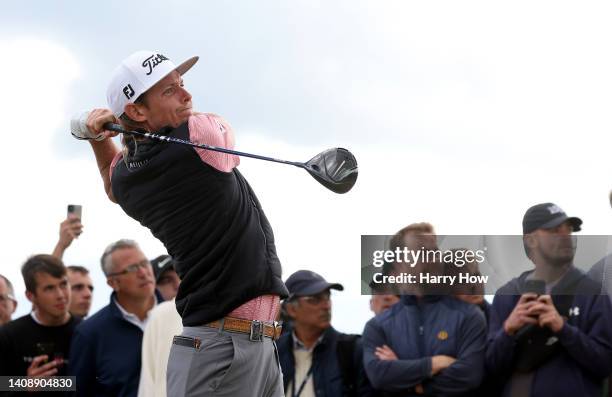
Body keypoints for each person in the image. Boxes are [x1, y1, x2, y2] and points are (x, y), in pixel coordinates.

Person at [77, 50, 288, 396]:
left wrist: (98, 137)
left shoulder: (129, 179)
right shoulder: (199, 135)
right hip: (223, 348)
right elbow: (221, 132)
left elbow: (110, 181)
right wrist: (103, 138)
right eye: (169, 91)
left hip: (251, 343)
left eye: (182, 84)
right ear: (136, 110)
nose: (187, 95)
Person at [486, 202, 612, 397]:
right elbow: (490, 367)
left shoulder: (592, 292)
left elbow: (605, 364)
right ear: (531, 240)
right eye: (554, 230)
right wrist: (508, 330)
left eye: (568, 230)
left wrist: (563, 329)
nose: (565, 237)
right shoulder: (507, 294)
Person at [362, 223, 486, 396]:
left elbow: (469, 376)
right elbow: (379, 375)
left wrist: (412, 384)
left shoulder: (469, 316)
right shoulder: (378, 326)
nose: (433, 259)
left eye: (434, 251)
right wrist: (435, 363)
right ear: (399, 264)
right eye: (422, 252)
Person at [69, 239, 161, 397]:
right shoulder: (89, 334)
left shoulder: (182, 315)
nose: (144, 272)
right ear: (113, 283)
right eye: (132, 268)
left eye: (145, 263)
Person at [277, 270, 373, 397]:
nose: (326, 305)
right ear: (292, 309)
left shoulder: (352, 350)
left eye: (327, 297)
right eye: (315, 300)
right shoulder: (275, 351)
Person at [0, 255, 80, 385]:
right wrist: (26, 386)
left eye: (63, 284)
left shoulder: (87, 332)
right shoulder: (8, 336)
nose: (60, 295)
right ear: (30, 296)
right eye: (49, 288)